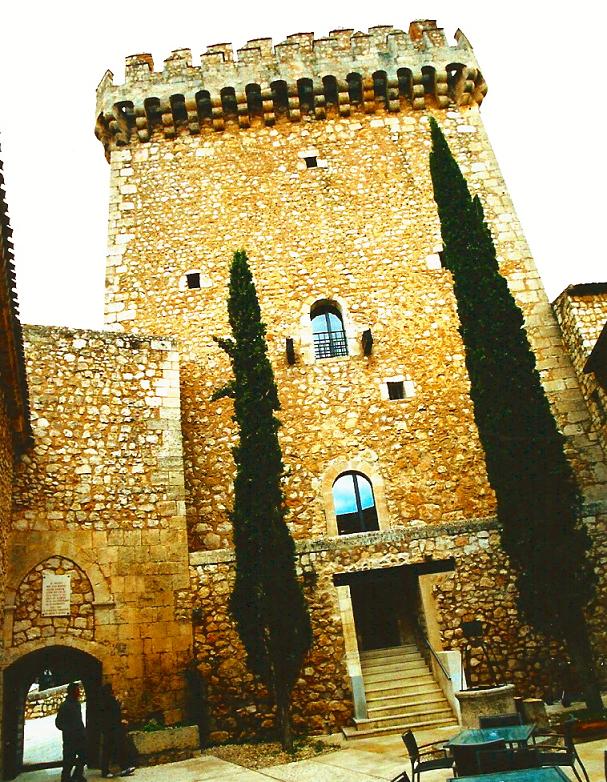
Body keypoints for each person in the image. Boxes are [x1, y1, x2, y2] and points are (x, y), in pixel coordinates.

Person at [99, 683, 135, 778]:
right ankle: (121, 768)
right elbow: (112, 714)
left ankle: (116, 769)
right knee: (115, 748)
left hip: (110, 728)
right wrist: (120, 721)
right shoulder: (108, 701)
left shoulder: (105, 701)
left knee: (111, 749)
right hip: (112, 728)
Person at [55, 682, 87, 782]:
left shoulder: (77, 704)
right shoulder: (65, 706)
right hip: (70, 738)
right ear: (73, 692)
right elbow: (58, 723)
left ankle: (77, 775)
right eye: (77, 690)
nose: (79, 692)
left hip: (80, 737)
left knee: (84, 756)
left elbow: (79, 720)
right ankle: (65, 778)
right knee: (69, 759)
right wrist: (68, 730)